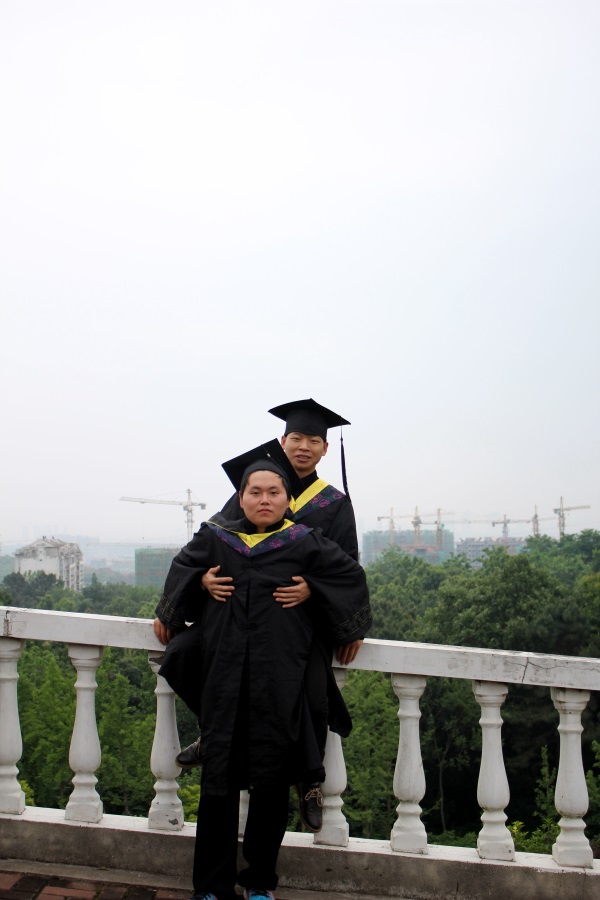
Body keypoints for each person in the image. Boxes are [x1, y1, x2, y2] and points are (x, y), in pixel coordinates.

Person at [154, 450, 371, 900]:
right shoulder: (217, 538)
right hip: (225, 676)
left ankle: (259, 884)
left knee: (271, 783)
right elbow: (182, 567)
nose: (265, 499)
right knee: (218, 783)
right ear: (242, 497)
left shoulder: (305, 542)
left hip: (278, 676)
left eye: (274, 492)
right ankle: (210, 887)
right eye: (256, 492)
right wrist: (200, 583)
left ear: (287, 500)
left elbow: (350, 576)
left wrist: (314, 589)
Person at [176, 400, 360, 831]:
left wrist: (316, 591)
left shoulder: (333, 504)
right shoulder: (258, 485)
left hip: (299, 620)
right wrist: (200, 580)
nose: (303, 447)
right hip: (240, 615)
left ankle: (310, 779)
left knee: (311, 688)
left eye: (313, 440)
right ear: (283, 441)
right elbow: (212, 542)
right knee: (185, 652)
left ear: (324, 449)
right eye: (296, 438)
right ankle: (212, 733)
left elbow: (348, 565)